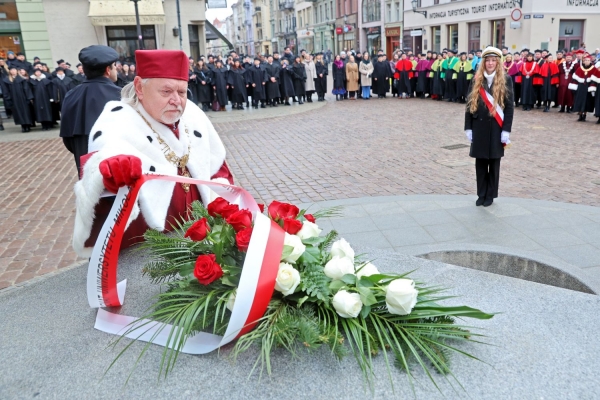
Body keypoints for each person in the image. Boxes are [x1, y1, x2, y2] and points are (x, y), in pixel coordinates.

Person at [71, 49, 233, 257]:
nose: (176, 100)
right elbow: (102, 164)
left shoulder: (193, 115)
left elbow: (218, 169)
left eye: (182, 92)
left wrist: (227, 211)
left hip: (203, 240)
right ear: (139, 87)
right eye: (166, 92)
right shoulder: (118, 122)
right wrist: (111, 173)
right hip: (149, 250)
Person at [464, 46, 514, 208]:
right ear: (483, 62)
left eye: (493, 60)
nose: (490, 63)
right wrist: (468, 127)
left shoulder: (506, 80)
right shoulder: (476, 79)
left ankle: (490, 195)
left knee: (493, 163)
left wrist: (506, 130)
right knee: (480, 163)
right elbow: (469, 104)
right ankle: (481, 194)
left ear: (498, 62)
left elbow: (509, 107)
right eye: (488, 60)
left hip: (496, 127)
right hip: (479, 127)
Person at [59, 45, 121, 175]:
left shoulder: (71, 95)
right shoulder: (121, 95)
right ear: (107, 70)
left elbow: (68, 139)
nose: (116, 70)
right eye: (114, 66)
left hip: (84, 166)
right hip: (118, 166)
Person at [4, 66, 34, 132]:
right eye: (11, 70)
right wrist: (8, 99)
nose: (13, 71)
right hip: (14, 99)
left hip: (23, 98)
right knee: (18, 113)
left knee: (26, 112)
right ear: (9, 71)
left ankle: (28, 125)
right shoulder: (7, 80)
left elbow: (26, 89)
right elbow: (6, 91)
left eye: (14, 70)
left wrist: (28, 98)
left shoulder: (22, 79)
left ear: (17, 71)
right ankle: (23, 126)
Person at [571, 53, 596, 122]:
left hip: (588, 87)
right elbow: (575, 78)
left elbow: (595, 78)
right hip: (581, 87)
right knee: (580, 100)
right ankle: (580, 114)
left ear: (590, 61)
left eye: (588, 60)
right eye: (586, 60)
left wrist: (592, 87)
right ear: (584, 61)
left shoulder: (593, 69)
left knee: (587, 101)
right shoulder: (580, 68)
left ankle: (584, 114)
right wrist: (574, 86)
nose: (587, 61)